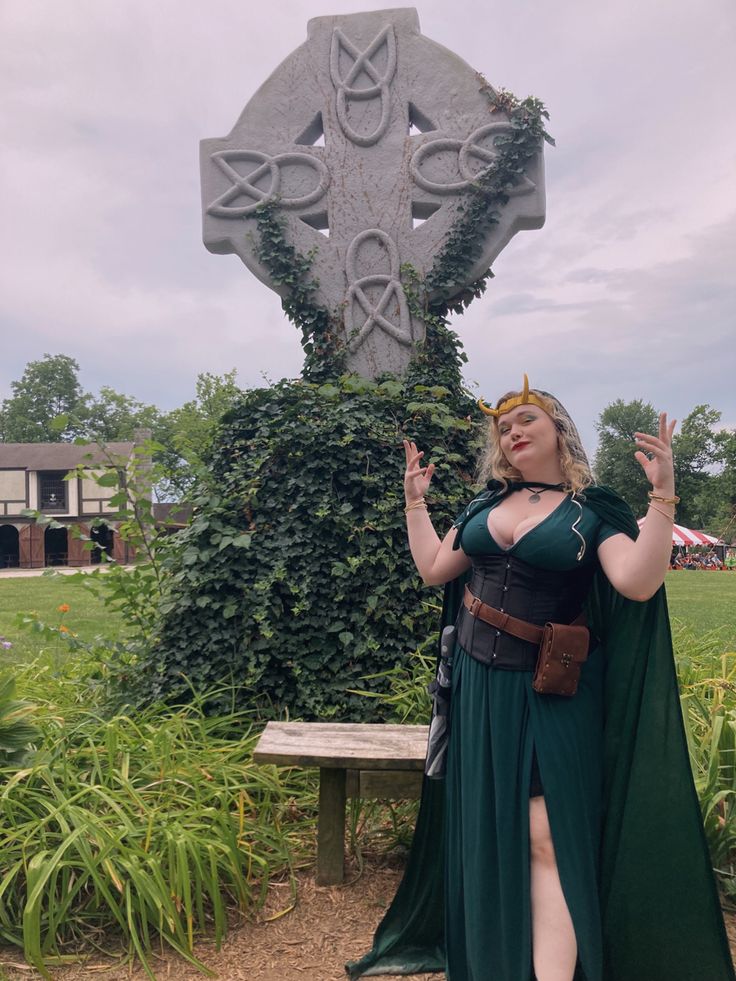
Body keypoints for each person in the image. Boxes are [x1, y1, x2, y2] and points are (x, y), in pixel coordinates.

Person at [347, 377, 735, 981]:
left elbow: (637, 581)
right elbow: (432, 568)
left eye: (526, 419)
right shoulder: (482, 508)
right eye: (503, 428)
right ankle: (494, 962)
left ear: (559, 430)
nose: (513, 431)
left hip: (551, 693)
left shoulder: (591, 512)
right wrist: (414, 503)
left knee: (545, 837)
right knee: (488, 832)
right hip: (479, 691)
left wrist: (663, 498)